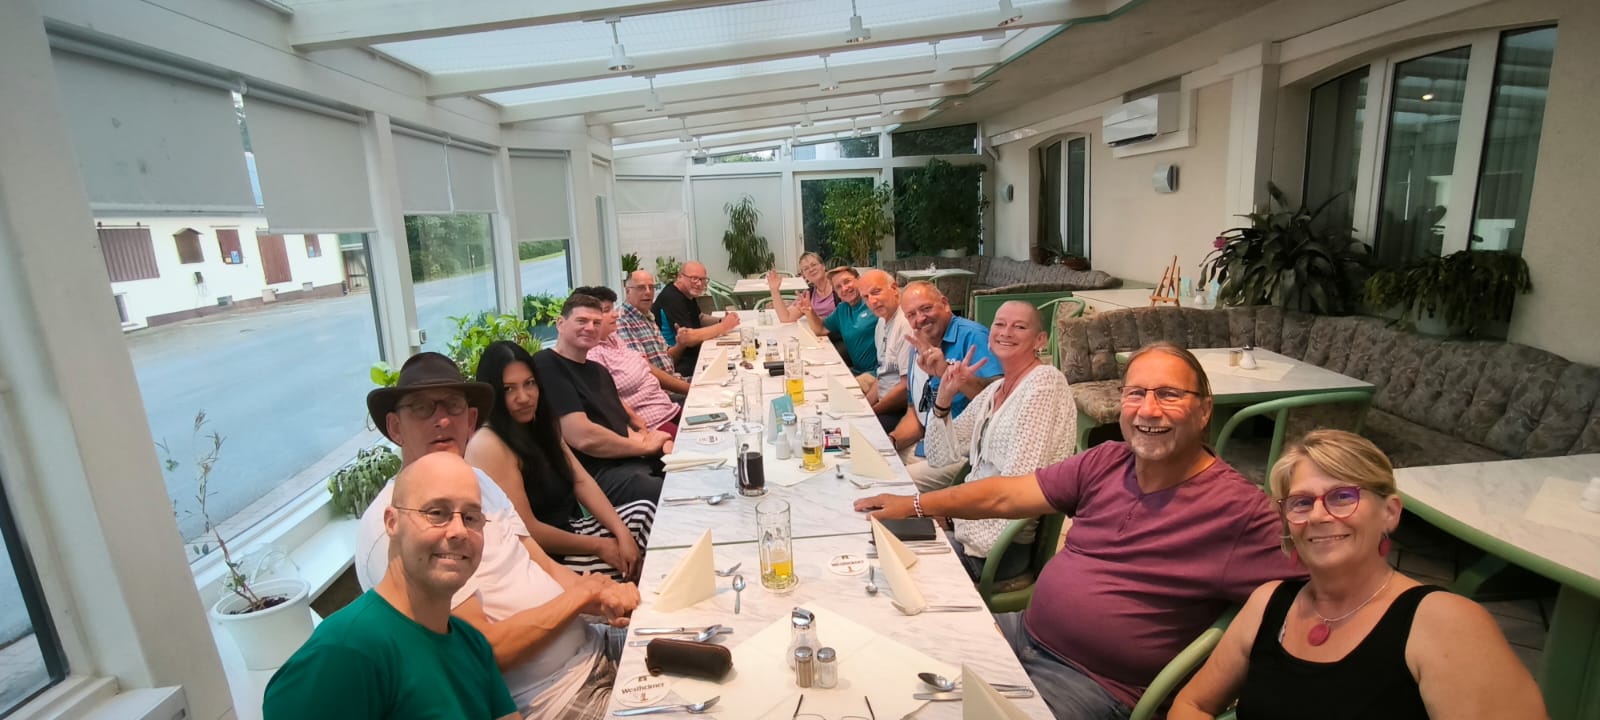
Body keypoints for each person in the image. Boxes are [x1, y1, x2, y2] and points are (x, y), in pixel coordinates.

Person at [855, 343, 1302, 719]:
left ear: (1204, 411)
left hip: (1093, 686)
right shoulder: (1107, 460)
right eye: (1136, 393)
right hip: (1022, 632)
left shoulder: (1239, 510)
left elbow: (1323, 586)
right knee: (885, 657)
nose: (1148, 410)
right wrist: (915, 504)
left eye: (1169, 395)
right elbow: (1005, 495)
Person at [1170, 430, 1547, 720]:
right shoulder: (1269, 603)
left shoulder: (1444, 623)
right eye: (1302, 502)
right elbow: (1190, 704)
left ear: (1390, 512)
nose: (1318, 516)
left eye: (1342, 497)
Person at [354, 351, 641, 719]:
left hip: (595, 647)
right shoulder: (399, 526)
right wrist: (582, 595)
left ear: (471, 420)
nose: (443, 419)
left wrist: (604, 597)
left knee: (694, 637)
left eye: (454, 406)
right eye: (422, 408)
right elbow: (480, 651)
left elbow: (545, 566)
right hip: (553, 699)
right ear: (395, 428)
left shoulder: (478, 482)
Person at [265, 453, 517, 720]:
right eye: (436, 513)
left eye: (471, 517)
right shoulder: (345, 651)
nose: (459, 531)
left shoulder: (471, 643)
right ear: (392, 522)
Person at [467, 340, 654, 582]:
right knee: (637, 562)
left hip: (572, 529)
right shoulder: (489, 444)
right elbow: (528, 529)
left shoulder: (541, 424)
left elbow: (581, 480)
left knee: (647, 514)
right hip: (539, 559)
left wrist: (622, 534)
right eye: (509, 389)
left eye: (529, 383)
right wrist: (600, 546)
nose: (523, 397)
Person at [923, 301, 1076, 585]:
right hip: (969, 530)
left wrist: (951, 517)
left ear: (1040, 340)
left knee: (898, 561)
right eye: (1000, 324)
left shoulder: (1044, 385)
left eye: (1020, 326)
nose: (1006, 332)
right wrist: (944, 398)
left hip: (997, 550)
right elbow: (939, 456)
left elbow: (1016, 491)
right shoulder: (996, 389)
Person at [535, 293, 668, 508]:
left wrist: (656, 442)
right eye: (582, 321)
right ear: (560, 324)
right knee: (667, 494)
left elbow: (621, 426)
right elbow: (583, 437)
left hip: (630, 462)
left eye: (596, 323)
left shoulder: (598, 371)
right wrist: (644, 447)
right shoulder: (547, 365)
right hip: (593, 476)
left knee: (690, 473)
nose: (590, 328)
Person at [891, 281, 1002, 490]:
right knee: (873, 466)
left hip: (964, 452)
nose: (920, 319)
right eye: (911, 315)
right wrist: (892, 441)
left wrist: (947, 373)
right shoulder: (918, 345)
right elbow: (916, 413)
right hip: (929, 444)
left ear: (945, 304)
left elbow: (999, 400)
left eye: (926, 308)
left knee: (893, 483)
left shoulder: (973, 336)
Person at [574, 285, 681, 436]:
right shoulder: (592, 355)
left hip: (665, 406)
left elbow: (646, 366)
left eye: (613, 309)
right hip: (650, 421)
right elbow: (610, 401)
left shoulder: (613, 338)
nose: (615, 315)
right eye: (607, 311)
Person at [654, 261, 739, 377]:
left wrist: (721, 320)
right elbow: (689, 338)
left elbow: (699, 317)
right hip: (679, 363)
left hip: (692, 353)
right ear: (680, 277)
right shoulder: (672, 298)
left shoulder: (687, 293)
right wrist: (723, 326)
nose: (699, 283)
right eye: (694, 278)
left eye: (703, 279)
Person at [616, 270, 690, 396]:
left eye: (651, 287)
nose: (648, 292)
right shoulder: (622, 321)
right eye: (641, 288)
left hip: (673, 382)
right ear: (628, 291)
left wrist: (680, 345)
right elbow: (644, 370)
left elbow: (666, 358)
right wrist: (688, 389)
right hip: (658, 394)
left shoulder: (647, 316)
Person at [856, 269, 912, 432]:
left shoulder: (906, 324)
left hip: (901, 410)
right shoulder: (881, 322)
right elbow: (882, 375)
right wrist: (864, 407)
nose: (872, 301)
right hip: (884, 403)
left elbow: (906, 388)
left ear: (894, 289)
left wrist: (872, 412)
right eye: (866, 297)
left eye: (876, 292)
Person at [802, 266, 878, 376]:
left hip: (877, 374)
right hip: (857, 372)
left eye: (847, 282)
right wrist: (809, 311)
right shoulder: (842, 309)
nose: (844, 288)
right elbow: (820, 329)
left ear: (859, 280)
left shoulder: (874, 303)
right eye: (838, 287)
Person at [765, 251, 838, 323]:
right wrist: (774, 289)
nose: (811, 269)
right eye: (806, 269)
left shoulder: (838, 286)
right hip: (818, 330)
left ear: (823, 266)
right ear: (804, 275)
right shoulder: (809, 294)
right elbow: (786, 317)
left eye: (814, 265)